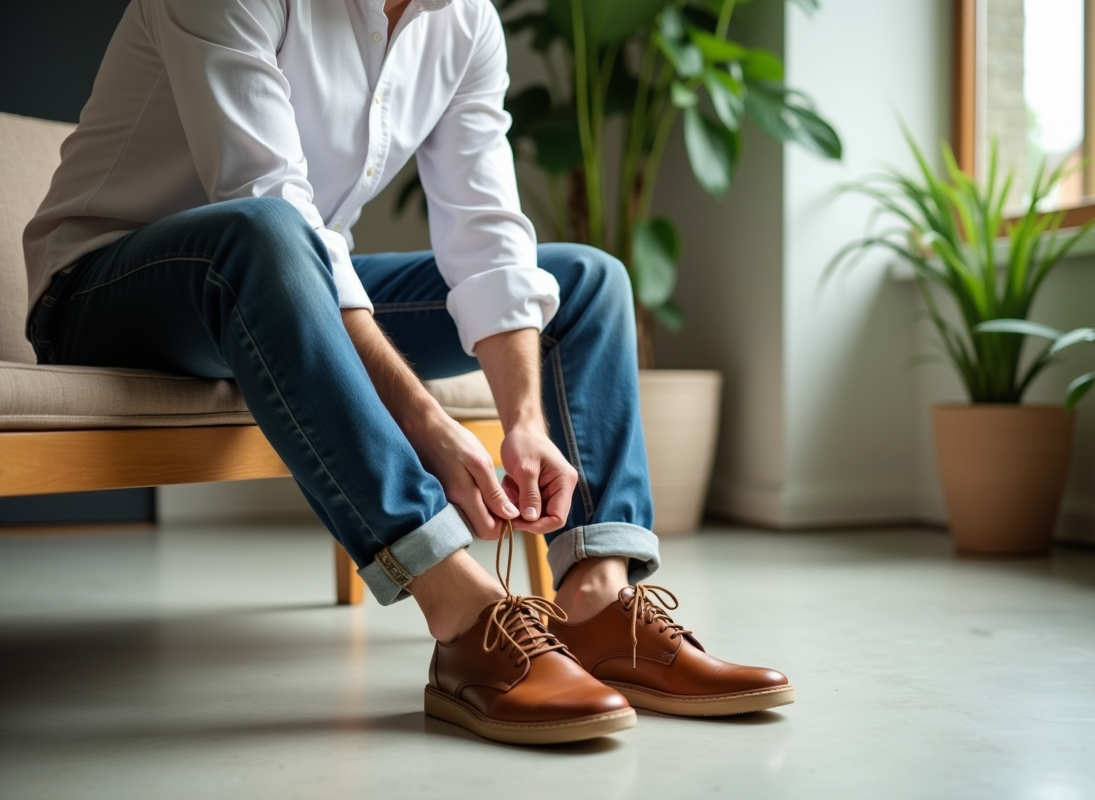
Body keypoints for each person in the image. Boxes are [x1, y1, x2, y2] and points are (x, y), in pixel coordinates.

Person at [24, 0, 793, 745]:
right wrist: (426, 421)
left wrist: (525, 421)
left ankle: (598, 602)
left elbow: (488, 238)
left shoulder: (464, 20)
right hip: (109, 291)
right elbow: (267, 197)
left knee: (585, 280)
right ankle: (460, 611)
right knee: (266, 232)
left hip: (291, 282)